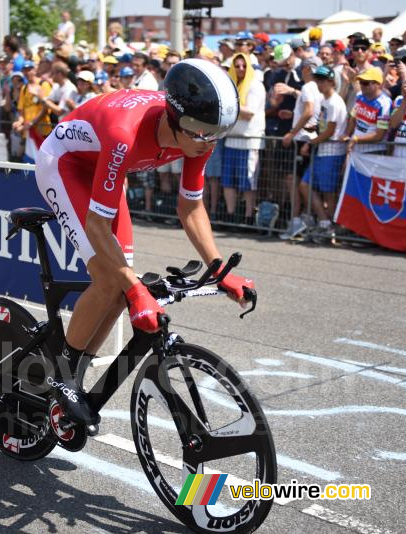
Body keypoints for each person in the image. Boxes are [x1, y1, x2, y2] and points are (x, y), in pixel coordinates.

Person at [32, 59, 253, 431]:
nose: (209, 142)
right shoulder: (126, 134)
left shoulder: (199, 136)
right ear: (175, 117)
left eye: (217, 133)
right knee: (111, 279)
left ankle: (76, 372)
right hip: (66, 164)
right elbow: (97, 225)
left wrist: (219, 269)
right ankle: (61, 378)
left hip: (103, 168)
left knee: (121, 290)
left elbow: (191, 207)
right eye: (201, 133)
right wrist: (136, 289)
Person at [298, 66, 347, 236]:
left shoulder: (334, 101)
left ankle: (331, 225)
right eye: (317, 79)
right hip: (322, 151)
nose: (319, 83)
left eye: (322, 80)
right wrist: (311, 131)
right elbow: (322, 126)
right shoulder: (325, 100)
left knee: (329, 192)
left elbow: (330, 131)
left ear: (331, 82)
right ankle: (325, 221)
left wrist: (311, 143)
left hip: (332, 151)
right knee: (305, 185)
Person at [222, 52, 266, 226]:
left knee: (248, 182)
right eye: (237, 65)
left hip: (249, 141)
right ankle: (231, 215)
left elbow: (249, 113)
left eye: (243, 66)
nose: (240, 69)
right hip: (231, 139)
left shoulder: (255, 85)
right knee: (228, 181)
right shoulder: (231, 84)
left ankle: (248, 217)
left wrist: (229, 107)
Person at [280, 56, 322, 239]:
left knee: (293, 181)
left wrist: (292, 132)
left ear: (306, 69)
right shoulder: (320, 88)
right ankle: (304, 218)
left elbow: (309, 111)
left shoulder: (307, 87)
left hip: (301, 139)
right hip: (308, 138)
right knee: (300, 182)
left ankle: (297, 220)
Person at [345, 67, 391, 155]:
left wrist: (357, 139)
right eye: (361, 82)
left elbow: (379, 135)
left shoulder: (385, 103)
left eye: (365, 83)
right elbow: (353, 118)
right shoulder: (359, 96)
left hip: (373, 151)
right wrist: (348, 134)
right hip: (355, 147)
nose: (362, 86)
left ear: (377, 84)